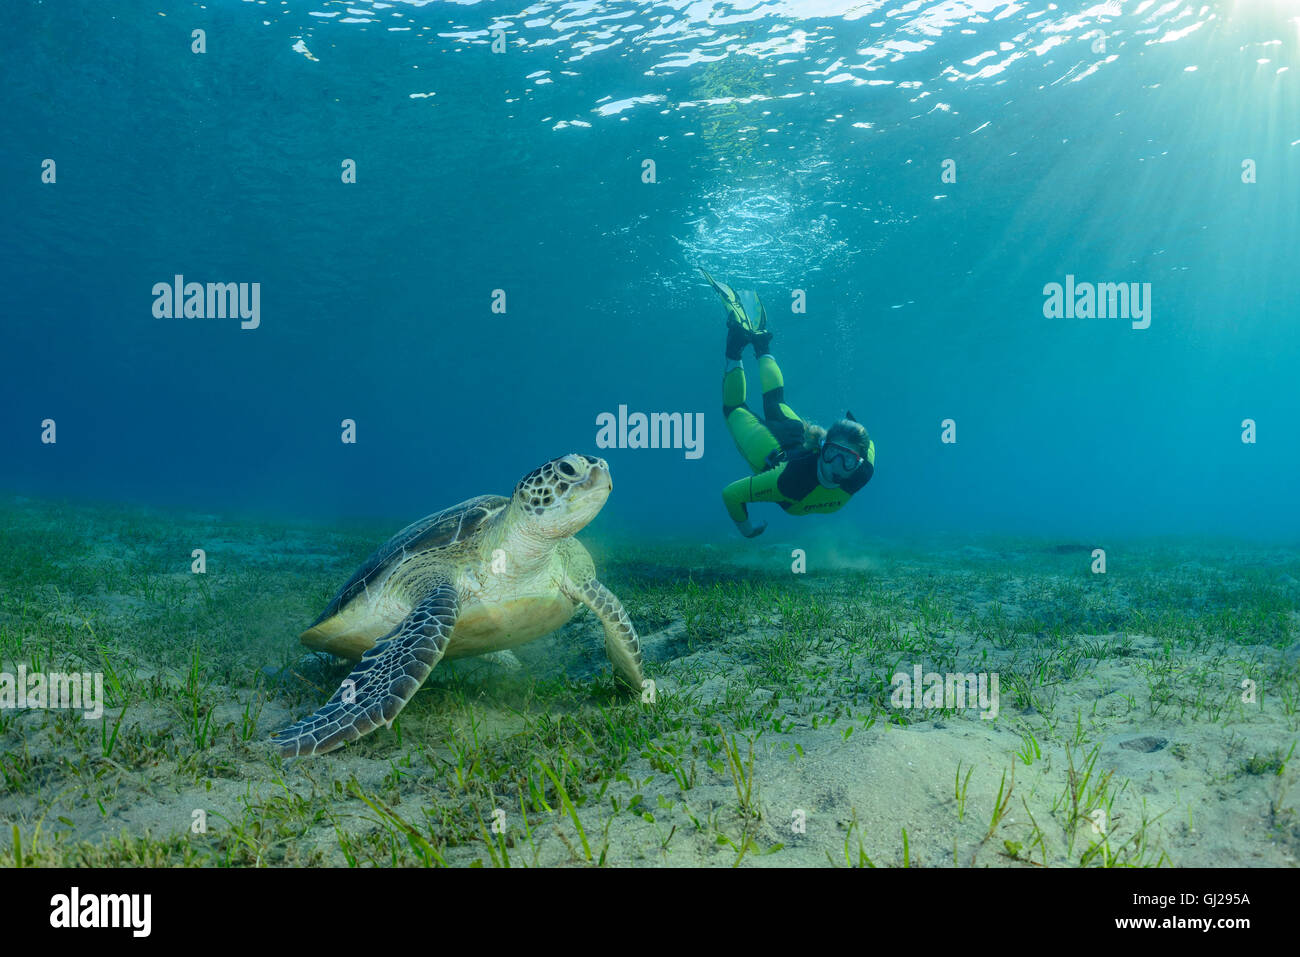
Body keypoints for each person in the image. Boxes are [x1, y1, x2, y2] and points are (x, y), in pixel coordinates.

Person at [700, 268, 875, 538]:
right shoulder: (787, 480)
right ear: (823, 448)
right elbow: (731, 494)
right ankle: (742, 345)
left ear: (859, 462)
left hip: (797, 435)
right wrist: (747, 530)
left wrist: (845, 433)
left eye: (848, 461)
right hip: (770, 450)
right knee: (736, 409)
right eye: (832, 455)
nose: (835, 468)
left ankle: (754, 344)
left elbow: (868, 445)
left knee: (774, 401)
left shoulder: (863, 472)